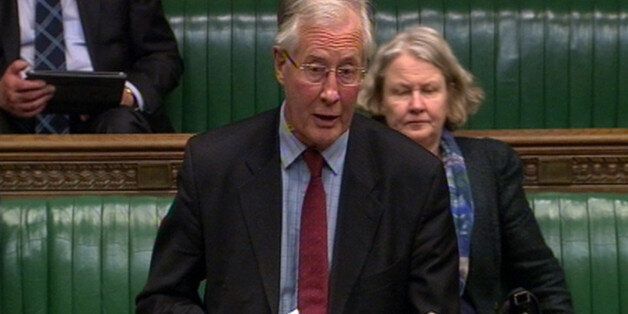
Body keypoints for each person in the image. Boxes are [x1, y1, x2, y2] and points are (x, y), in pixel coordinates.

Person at [136, 1, 459, 313]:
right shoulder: (214, 165)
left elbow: (434, 306)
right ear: (281, 64)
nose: (331, 93)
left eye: (347, 71)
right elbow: (162, 299)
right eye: (316, 69)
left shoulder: (413, 176)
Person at [358, 25, 574, 313]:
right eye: (401, 91)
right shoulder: (355, 171)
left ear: (450, 96)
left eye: (430, 90)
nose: (417, 104)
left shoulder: (491, 165)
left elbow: (540, 276)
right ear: (379, 101)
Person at [0, 0, 183, 133]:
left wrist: (124, 94)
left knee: (120, 125)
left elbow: (162, 56)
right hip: (13, 113)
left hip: (104, 114)